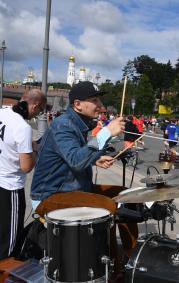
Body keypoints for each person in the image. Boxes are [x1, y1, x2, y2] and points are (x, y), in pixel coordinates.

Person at [30, 82, 137, 270]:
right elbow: (75, 159)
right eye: (94, 100)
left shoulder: (76, 123)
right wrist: (107, 132)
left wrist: (94, 159)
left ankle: (130, 259)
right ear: (78, 104)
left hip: (73, 189)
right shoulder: (63, 125)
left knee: (128, 196)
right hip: (50, 195)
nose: (101, 105)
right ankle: (112, 265)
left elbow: (72, 156)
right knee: (110, 207)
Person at [0, 89, 46, 260]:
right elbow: (26, 166)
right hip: (10, 187)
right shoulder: (23, 127)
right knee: (8, 241)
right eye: (39, 111)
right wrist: (33, 149)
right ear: (34, 105)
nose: (36, 115)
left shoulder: (2, 112)